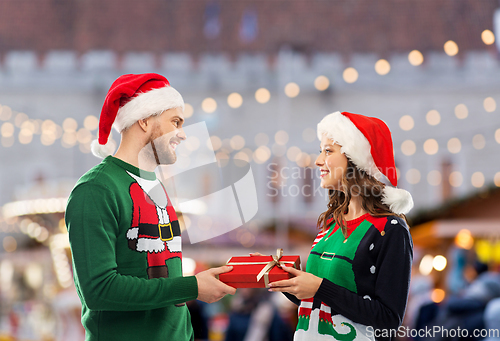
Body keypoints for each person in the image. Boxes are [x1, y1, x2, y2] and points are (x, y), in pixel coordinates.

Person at [65, 73, 236, 341]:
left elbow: (170, 288)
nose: (182, 134)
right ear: (144, 120)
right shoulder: (96, 190)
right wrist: (191, 287)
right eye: (175, 122)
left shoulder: (156, 187)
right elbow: (99, 290)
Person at [268, 111, 414, 341]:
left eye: (328, 151)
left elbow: (389, 318)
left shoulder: (391, 229)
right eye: (320, 151)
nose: (317, 161)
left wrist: (319, 287)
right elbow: (321, 300)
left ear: (355, 159)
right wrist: (283, 278)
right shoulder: (331, 223)